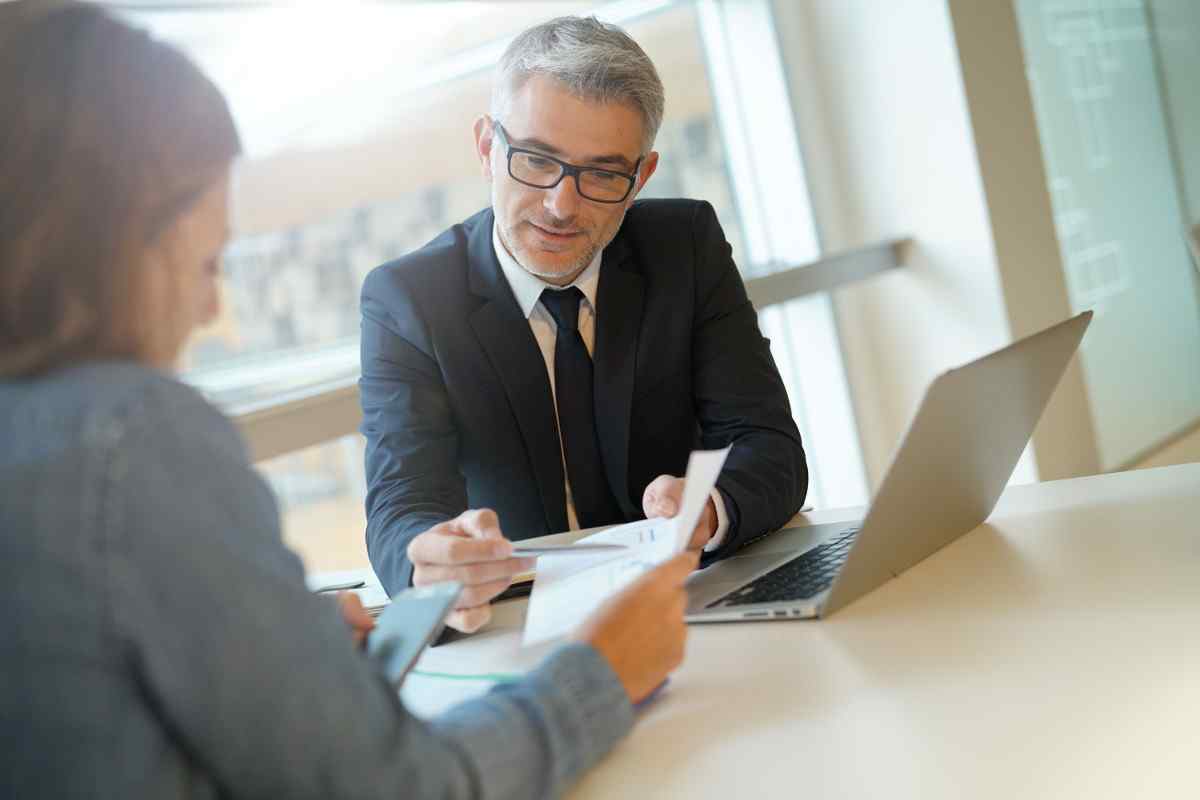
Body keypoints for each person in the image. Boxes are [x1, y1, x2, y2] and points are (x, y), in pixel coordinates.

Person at [0, 4, 695, 798]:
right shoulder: (132, 442)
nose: (205, 315)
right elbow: (394, 786)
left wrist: (265, 642)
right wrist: (600, 674)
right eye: (204, 267)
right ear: (117, 240)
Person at [361, 15, 808, 630]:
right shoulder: (408, 299)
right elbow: (401, 501)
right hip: (519, 626)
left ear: (640, 178)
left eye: (601, 174)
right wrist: (429, 566)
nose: (561, 206)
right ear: (488, 147)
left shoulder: (685, 247)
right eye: (537, 161)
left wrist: (710, 511)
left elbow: (769, 445)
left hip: (690, 604)